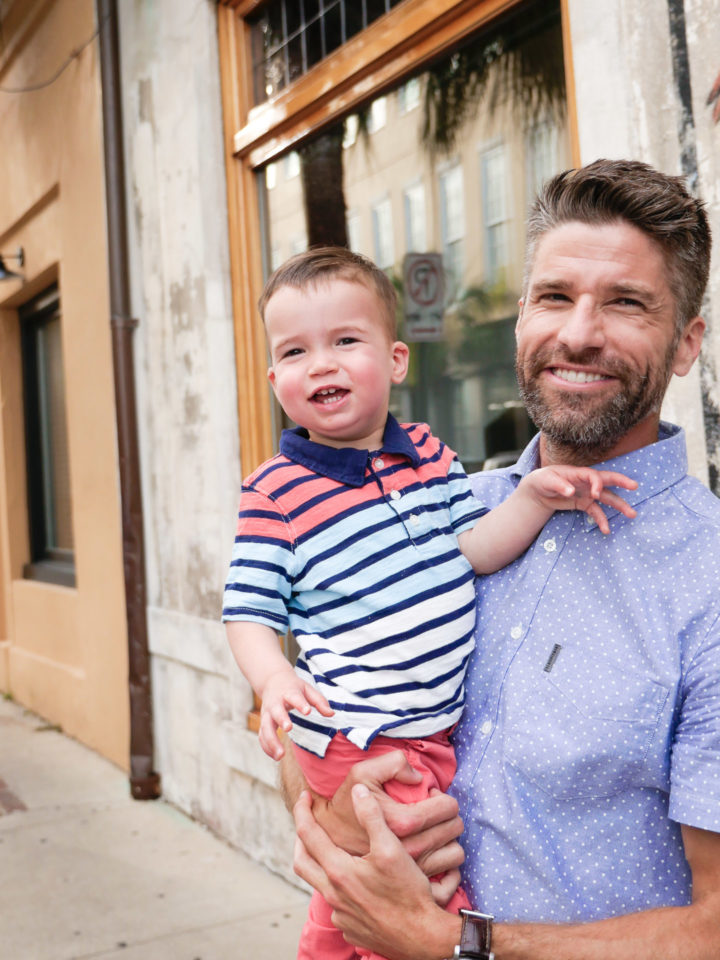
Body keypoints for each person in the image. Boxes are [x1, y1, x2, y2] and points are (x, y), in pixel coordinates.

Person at [289, 159, 720, 960]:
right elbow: (303, 718)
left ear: (688, 342)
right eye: (554, 297)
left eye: (626, 303)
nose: (578, 333)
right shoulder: (433, 512)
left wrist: (456, 943)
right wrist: (330, 807)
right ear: (522, 317)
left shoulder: (711, 582)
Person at [221, 246, 636, 960]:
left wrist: (533, 498)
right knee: (431, 887)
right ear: (274, 379)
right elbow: (249, 610)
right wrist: (275, 680)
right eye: (295, 351)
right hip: (362, 730)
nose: (320, 363)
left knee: (365, 880)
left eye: (345, 341)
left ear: (397, 361)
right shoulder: (275, 491)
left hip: (426, 730)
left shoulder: (430, 457)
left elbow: (473, 548)